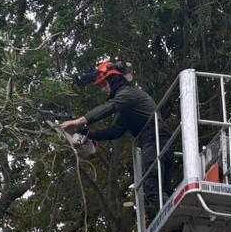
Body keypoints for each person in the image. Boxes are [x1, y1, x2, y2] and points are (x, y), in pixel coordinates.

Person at [60, 58, 169, 210]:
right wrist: (89, 134)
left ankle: (175, 227)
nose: (103, 89)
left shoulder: (128, 94)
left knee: (152, 185)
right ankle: (178, 230)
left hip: (155, 137)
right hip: (151, 140)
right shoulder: (128, 108)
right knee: (158, 187)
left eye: (104, 84)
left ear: (114, 80)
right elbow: (116, 131)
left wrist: (78, 122)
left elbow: (108, 108)